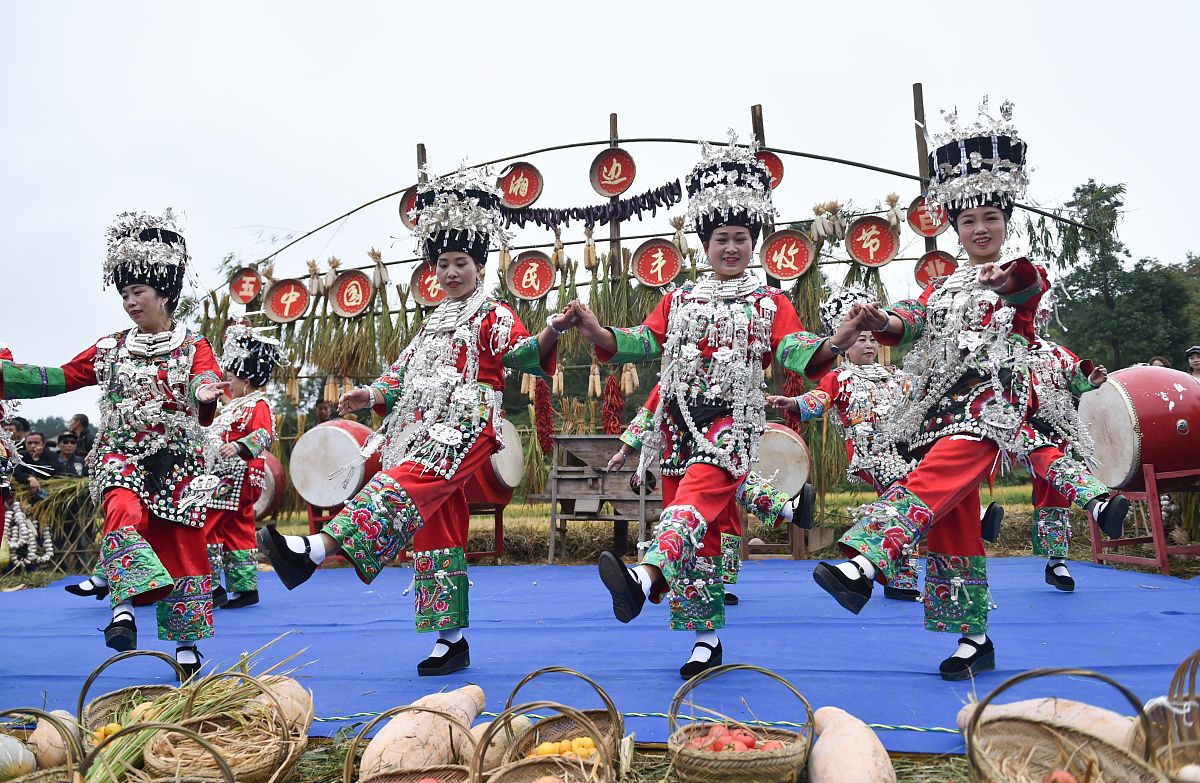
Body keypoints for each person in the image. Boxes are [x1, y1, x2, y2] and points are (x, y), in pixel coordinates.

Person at [811, 101, 1130, 680]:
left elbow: (1028, 295)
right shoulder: (940, 286)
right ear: (954, 228)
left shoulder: (1022, 272)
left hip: (994, 408)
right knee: (952, 520)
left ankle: (866, 560)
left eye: (990, 218)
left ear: (1006, 221)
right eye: (967, 221)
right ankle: (974, 638)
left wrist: (1011, 283)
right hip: (937, 410)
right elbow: (909, 321)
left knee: (936, 478)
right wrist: (878, 320)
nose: (980, 229)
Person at [257, 167, 567, 676]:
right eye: (443, 264)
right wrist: (371, 393)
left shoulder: (493, 314)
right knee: (436, 526)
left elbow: (522, 354)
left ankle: (315, 549)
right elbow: (402, 375)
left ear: (479, 266)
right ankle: (452, 640)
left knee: (404, 481)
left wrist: (552, 332)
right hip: (423, 426)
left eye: (461, 263)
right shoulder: (432, 323)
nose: (451, 273)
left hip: (469, 425)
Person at [572, 135, 843, 678]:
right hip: (677, 427)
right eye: (722, 238)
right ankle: (705, 639)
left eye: (742, 238)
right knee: (702, 536)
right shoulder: (680, 298)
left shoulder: (771, 301)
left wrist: (835, 343)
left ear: (754, 243)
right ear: (705, 243)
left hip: (731, 425)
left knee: (691, 506)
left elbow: (795, 349)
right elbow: (645, 343)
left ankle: (645, 577)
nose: (732, 248)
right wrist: (598, 332)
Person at [0, 210, 226, 680]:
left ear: (164, 293)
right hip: (121, 453)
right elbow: (62, 376)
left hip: (177, 462)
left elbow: (205, 381)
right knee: (122, 508)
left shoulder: (193, 346)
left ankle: (186, 646)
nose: (129, 302)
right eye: (123, 294)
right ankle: (122, 610)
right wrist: (7, 375)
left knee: (182, 546)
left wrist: (204, 393)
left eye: (137, 292)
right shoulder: (110, 348)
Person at [609, 383, 815, 608]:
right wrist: (624, 452)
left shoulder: (721, 379)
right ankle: (785, 508)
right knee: (687, 521)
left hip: (712, 453)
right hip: (677, 464)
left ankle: (714, 583)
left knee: (721, 521)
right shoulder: (670, 380)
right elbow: (647, 417)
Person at [205, 322, 286, 610]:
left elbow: (264, 433)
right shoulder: (239, 405)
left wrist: (239, 446)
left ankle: (211, 585)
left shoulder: (257, 404)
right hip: (236, 475)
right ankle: (245, 587)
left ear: (246, 380)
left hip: (235, 474)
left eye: (231, 377)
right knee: (237, 528)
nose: (228, 382)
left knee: (208, 524)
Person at [14, 432, 57, 497]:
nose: (32, 446)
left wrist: (36, 459)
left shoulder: (52, 455)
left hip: (48, 490)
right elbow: (17, 473)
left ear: (43, 444)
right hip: (25, 491)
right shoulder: (20, 455)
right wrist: (30, 478)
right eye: (29, 443)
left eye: (36, 443)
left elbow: (50, 474)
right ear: (25, 444)